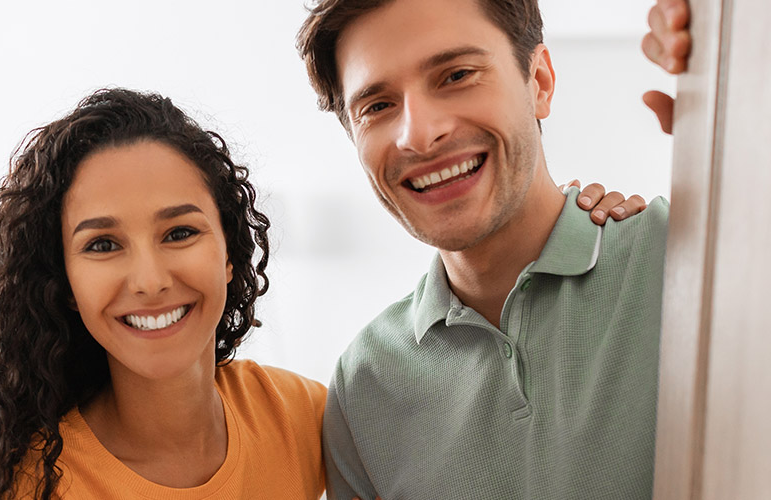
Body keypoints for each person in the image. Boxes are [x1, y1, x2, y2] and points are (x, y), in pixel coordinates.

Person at [0, 87, 648, 499]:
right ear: (63, 279)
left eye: (180, 232)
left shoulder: (304, 414)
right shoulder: (23, 481)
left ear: (230, 252)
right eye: (103, 245)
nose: (149, 277)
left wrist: (585, 214)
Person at [295, 0, 691, 498]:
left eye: (456, 75)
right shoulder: (364, 386)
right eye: (377, 106)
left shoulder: (686, 262)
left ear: (540, 82)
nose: (419, 134)